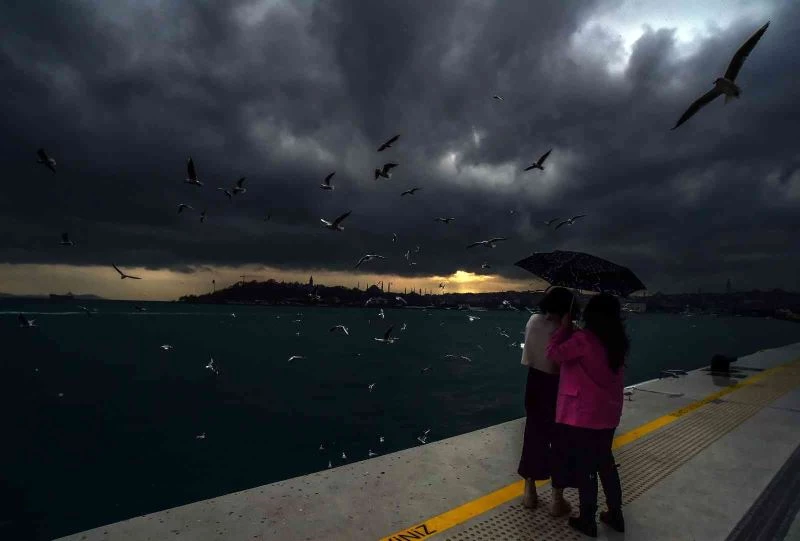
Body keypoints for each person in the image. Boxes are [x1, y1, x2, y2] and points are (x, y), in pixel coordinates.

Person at [547, 293, 628, 538]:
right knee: (605, 463)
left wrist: (564, 328)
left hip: (584, 416)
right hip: (609, 413)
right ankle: (616, 514)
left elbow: (554, 353)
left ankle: (587, 519)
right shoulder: (618, 342)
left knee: (586, 468)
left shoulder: (583, 340)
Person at [517, 287, 578, 516]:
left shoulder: (533, 321)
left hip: (534, 384)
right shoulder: (568, 331)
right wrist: (569, 328)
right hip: (558, 386)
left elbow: (531, 355)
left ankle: (529, 491)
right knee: (560, 439)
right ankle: (557, 499)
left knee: (533, 434)